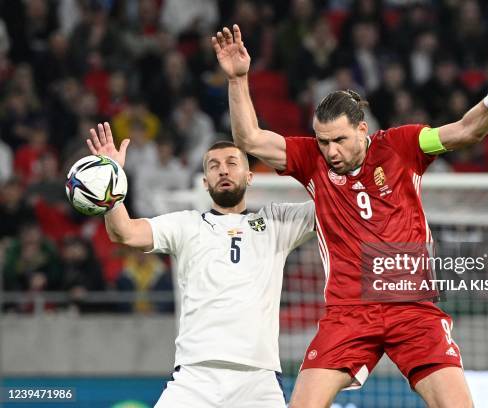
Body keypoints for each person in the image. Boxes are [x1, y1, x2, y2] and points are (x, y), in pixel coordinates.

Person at [213, 24, 488, 408]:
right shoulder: (310, 160)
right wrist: (238, 79)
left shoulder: (404, 145)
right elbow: (249, 139)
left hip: (412, 309)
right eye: (322, 141)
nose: (330, 151)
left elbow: (466, 132)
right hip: (348, 313)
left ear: (362, 130)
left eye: (339, 140)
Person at [85, 122, 315, 407]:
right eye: (214, 165)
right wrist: (112, 179)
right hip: (195, 377)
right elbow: (124, 232)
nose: (223, 170)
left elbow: (332, 205)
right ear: (205, 182)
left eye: (232, 163)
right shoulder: (186, 224)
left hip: (258, 378)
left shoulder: (277, 222)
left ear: (250, 176)